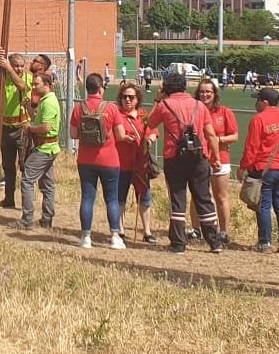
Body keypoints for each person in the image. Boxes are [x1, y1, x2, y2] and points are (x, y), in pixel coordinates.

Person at [149, 65, 222, 253]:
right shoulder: (199, 105)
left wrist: (158, 99)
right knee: (204, 198)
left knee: (177, 199)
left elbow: (149, 123)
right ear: (185, 86)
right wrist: (215, 157)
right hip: (199, 157)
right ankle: (214, 241)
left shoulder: (165, 105)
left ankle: (179, 243)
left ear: (166, 88)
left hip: (174, 156)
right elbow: (211, 134)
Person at [70, 73, 125, 250]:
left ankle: (86, 236)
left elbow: (73, 134)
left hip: (86, 160)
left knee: (87, 197)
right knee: (112, 199)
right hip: (109, 159)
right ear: (101, 88)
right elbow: (120, 135)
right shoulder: (111, 108)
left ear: (87, 88)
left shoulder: (79, 108)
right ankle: (115, 236)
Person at [242, 85, 279, 253]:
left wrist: (243, 167)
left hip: (264, 169)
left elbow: (252, 147)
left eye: (257, 100)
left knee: (263, 206)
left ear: (264, 102)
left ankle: (265, 242)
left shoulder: (259, 119)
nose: (256, 103)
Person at [0, 52, 41, 210]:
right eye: (15, 66)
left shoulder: (27, 78)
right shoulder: (4, 79)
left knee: (25, 165)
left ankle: (27, 203)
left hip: (22, 128)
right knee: (8, 166)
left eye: (21, 66)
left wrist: (9, 70)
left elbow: (22, 86)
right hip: (5, 127)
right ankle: (9, 199)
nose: (19, 68)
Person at [195, 78, 239, 246]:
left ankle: (223, 231)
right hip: (199, 159)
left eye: (208, 92)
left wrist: (217, 139)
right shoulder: (194, 110)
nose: (204, 94)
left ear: (214, 94)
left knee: (221, 197)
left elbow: (234, 136)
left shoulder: (224, 111)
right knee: (197, 195)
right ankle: (196, 229)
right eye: (202, 91)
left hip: (220, 159)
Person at [18, 71, 62, 229]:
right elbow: (38, 117)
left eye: (37, 84)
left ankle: (26, 219)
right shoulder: (46, 100)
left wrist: (30, 129)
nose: (34, 87)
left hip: (44, 147)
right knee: (47, 184)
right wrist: (28, 107)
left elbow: (46, 127)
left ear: (47, 85)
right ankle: (46, 219)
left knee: (27, 180)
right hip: (48, 148)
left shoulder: (49, 102)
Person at [114, 81, 155, 244]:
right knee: (119, 198)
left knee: (144, 198)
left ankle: (147, 231)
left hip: (140, 164)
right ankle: (120, 229)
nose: (127, 100)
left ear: (137, 99)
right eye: (124, 97)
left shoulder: (144, 115)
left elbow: (153, 133)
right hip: (121, 163)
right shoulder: (116, 114)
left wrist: (149, 140)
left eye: (131, 97)